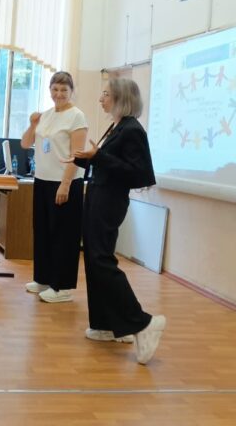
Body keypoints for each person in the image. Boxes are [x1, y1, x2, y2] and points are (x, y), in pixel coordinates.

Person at [71, 78, 166, 365]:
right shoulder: (117, 127)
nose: (101, 99)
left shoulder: (133, 130)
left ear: (121, 98)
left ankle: (142, 322)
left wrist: (99, 156)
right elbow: (108, 163)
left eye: (106, 94)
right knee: (93, 258)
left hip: (110, 200)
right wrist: (83, 159)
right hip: (98, 194)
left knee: (101, 260)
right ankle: (105, 324)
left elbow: (139, 174)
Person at [20, 71, 88, 304]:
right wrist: (32, 124)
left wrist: (65, 184)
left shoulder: (77, 116)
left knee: (63, 235)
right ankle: (43, 278)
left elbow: (77, 156)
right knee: (43, 232)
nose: (59, 94)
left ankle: (63, 287)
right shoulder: (45, 115)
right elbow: (25, 143)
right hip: (42, 180)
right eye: (55, 89)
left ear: (71, 92)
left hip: (65, 182)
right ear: (49, 90)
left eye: (64, 90)